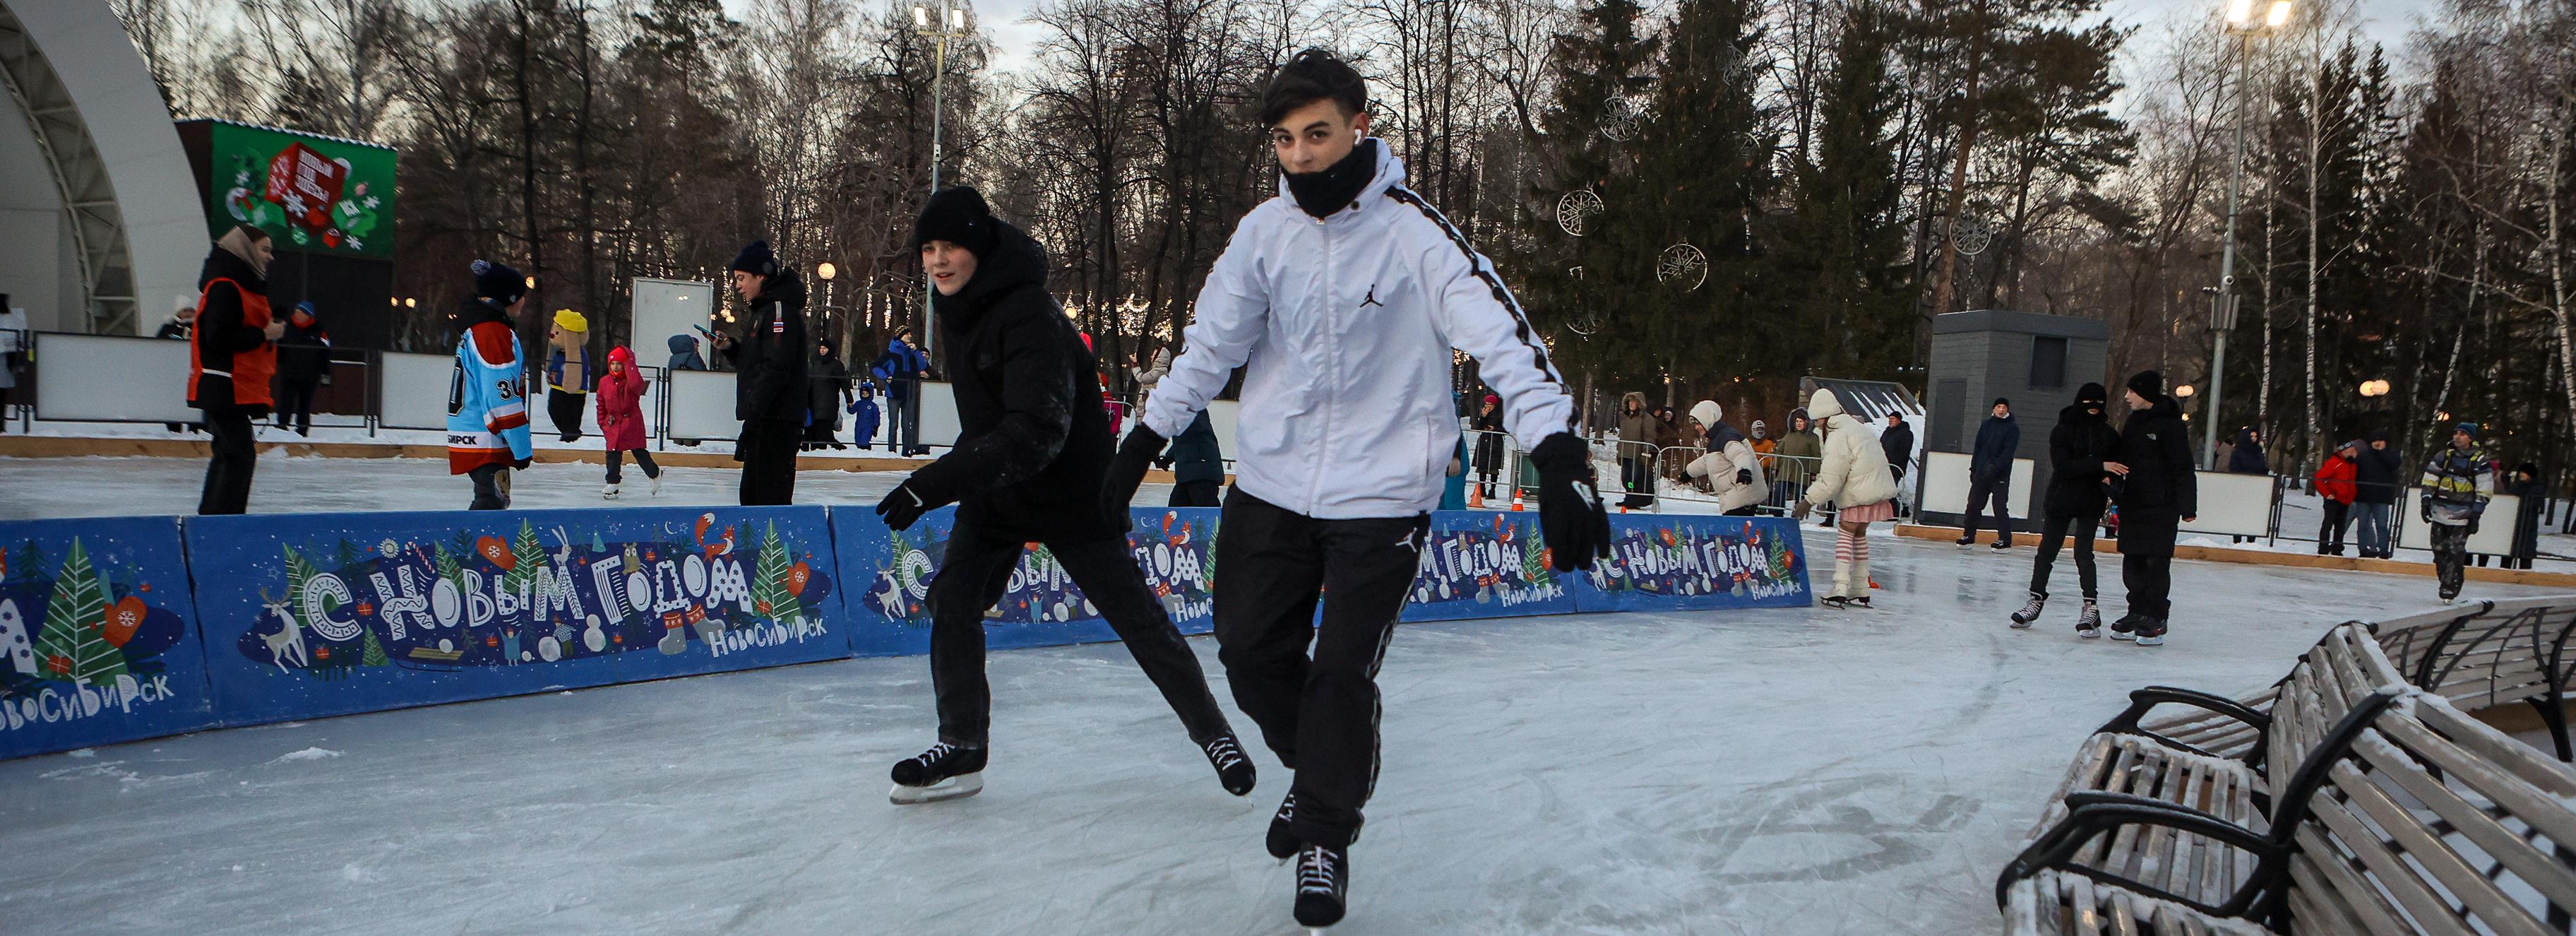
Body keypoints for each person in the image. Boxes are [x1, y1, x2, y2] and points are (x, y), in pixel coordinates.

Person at [1096, 49, 1609, 930]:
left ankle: (1327, 829)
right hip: (1273, 480)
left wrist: (1557, 453)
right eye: (1287, 140)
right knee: (1252, 656)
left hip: (1383, 494)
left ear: (1358, 126)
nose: (1301, 155)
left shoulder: (1415, 233)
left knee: (1339, 672)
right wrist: (1136, 444)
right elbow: (1210, 347)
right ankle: (1326, 771)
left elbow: (1503, 339)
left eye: (1318, 134)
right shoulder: (1264, 234)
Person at [871, 186, 1253, 809]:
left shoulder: (1029, 315)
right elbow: (990, 417)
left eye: (952, 248)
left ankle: (1215, 734)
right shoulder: (954, 307)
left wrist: (937, 481)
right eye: (929, 249)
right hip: (998, 487)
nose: (939, 261)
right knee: (955, 600)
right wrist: (966, 475)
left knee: (1137, 620)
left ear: (981, 248)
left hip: (1071, 488)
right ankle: (962, 744)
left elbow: (1037, 430)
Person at [187, 225, 283, 515]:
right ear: (245, 249)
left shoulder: (237, 285)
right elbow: (216, 338)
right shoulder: (227, 287)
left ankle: (216, 520)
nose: (270, 257)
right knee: (237, 455)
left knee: (232, 454)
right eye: (264, 249)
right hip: (224, 386)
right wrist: (264, 334)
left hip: (231, 387)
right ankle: (222, 521)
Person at [2010, 384, 2118, 634]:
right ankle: (2035, 600)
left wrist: (2110, 479)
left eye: (2099, 403)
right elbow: (2064, 467)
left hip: (2091, 501)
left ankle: (2091, 607)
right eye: (2089, 402)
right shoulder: (2063, 430)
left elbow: (2117, 468)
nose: (2094, 407)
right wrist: (2101, 466)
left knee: (2084, 553)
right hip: (2061, 499)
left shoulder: (2110, 436)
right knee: (2047, 551)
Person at [709, 241, 808, 506]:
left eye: (742, 278)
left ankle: (775, 546)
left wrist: (755, 411)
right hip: (765, 417)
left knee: (768, 498)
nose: (738, 285)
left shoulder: (779, 312)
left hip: (776, 420)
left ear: (761, 276)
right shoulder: (762, 311)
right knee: (752, 497)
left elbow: (777, 367)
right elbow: (758, 362)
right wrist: (731, 348)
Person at [2106, 372, 2195, 646]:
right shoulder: (2133, 423)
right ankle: (2137, 611)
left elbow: (2183, 468)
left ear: (2145, 394)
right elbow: (2124, 459)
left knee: (2156, 564)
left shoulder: (2171, 426)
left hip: (2162, 507)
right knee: (2132, 563)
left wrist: (2187, 506)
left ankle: (2156, 616)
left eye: (2132, 392)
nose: (2127, 397)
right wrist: (2112, 479)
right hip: (2134, 504)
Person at [1794, 388, 1899, 608]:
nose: (1817, 426)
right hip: (1874, 489)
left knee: (1846, 532)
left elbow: (1832, 477)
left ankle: (1840, 586)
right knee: (1859, 534)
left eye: (1817, 421)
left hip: (1859, 491)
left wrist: (1809, 500)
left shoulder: (1838, 436)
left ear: (1822, 416)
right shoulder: (1856, 427)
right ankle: (1861, 586)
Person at [448, 260, 535, 510]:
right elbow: (500, 395)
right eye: (521, 296)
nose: (524, 301)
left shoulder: (481, 328)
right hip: (485, 434)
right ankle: (476, 549)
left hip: (476, 430)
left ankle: (481, 547)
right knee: (491, 503)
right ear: (509, 298)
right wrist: (521, 446)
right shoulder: (493, 333)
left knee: (493, 500)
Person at [2420, 422, 2496, 603]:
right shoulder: (2443, 456)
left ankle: (2449, 587)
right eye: (2456, 432)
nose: (2458, 436)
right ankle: (2449, 577)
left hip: (2462, 515)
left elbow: (2485, 489)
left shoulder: (2479, 461)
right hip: (2439, 511)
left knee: (2454, 550)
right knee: (2438, 550)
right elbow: (2430, 478)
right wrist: (2425, 500)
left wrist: (2476, 515)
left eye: (2462, 434)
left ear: (2470, 438)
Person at [596, 345, 660, 499]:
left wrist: (630, 364)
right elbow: (601, 402)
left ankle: (655, 473)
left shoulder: (630, 380)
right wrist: (602, 423)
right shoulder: (605, 382)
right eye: (612, 363)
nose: (615, 367)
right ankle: (613, 483)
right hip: (613, 423)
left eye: (619, 363)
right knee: (612, 453)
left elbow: (637, 386)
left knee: (639, 451)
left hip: (631, 421)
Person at [1683, 401, 1765, 514]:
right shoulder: (1717, 438)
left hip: (1742, 495)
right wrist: (1688, 472)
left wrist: (1744, 471)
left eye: (1698, 423)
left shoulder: (1727, 437)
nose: (1696, 427)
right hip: (1736, 495)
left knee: (1737, 530)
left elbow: (1740, 454)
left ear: (1708, 419)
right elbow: (1708, 460)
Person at [1957, 398, 2018, 550]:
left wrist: (1995, 470)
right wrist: (1974, 469)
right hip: (1982, 473)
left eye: (2004, 407)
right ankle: (1969, 536)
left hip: (2000, 476)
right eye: (1999, 407)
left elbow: (2007, 453)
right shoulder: (1986, 425)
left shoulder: (2013, 428)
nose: (2001, 410)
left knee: (1999, 507)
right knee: (1973, 505)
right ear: (1993, 409)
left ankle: (2005, 540)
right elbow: (1978, 448)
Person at [271, 301, 330, 437]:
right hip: (289, 373)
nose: (297, 315)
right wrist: (277, 363)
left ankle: (302, 429)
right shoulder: (286, 328)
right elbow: (279, 348)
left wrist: (325, 373)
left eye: (300, 313)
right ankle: (282, 425)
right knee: (286, 400)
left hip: (310, 375)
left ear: (308, 315)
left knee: (305, 403)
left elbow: (325, 352)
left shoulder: (319, 330)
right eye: (296, 312)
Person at [874, 326, 931, 455]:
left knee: (907, 424)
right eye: (907, 334)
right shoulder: (891, 353)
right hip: (893, 393)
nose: (910, 336)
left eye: (910, 334)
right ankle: (892, 451)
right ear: (900, 336)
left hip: (909, 393)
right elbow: (876, 366)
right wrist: (885, 377)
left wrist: (916, 352)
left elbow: (923, 366)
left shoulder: (912, 353)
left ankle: (906, 451)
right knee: (893, 424)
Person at [544, 310, 593, 443]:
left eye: (558, 333)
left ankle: (571, 434)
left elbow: (575, 372)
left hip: (573, 390)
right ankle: (568, 433)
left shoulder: (579, 355)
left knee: (570, 415)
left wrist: (557, 378)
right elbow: (554, 367)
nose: (553, 336)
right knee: (553, 411)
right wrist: (550, 375)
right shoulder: (560, 353)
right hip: (558, 389)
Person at [1158, 410, 1224, 507]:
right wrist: (1167, 459)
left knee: (1206, 514)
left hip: (1202, 473)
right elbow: (1182, 442)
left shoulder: (1194, 409)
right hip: (1186, 475)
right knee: (1176, 513)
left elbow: (1196, 430)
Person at [2353, 431, 2402, 558]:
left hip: (2381, 498)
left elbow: (2394, 465)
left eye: (2380, 440)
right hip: (2364, 496)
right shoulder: (2363, 456)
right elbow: (2354, 473)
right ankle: (2363, 549)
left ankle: (2384, 551)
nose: (2377, 443)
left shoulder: (2391, 455)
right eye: (2375, 440)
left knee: (2382, 526)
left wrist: (2383, 452)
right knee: (2363, 525)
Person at [159, 293, 201, 433]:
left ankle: (196, 431)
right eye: (185, 310)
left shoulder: (200, 328)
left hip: (194, 373)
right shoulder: (169, 328)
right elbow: (159, 348)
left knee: (195, 402)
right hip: (173, 375)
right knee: (174, 403)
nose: (189, 313)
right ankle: (173, 430)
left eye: (191, 310)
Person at [2313, 441, 2360, 556]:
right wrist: (2326, 494)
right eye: (2352, 450)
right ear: (2345, 450)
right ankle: (2323, 548)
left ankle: (2337, 548)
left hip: (2346, 500)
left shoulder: (2353, 465)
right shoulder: (2334, 462)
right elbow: (2318, 478)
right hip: (2334, 499)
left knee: (2340, 526)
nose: (2354, 452)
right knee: (2328, 524)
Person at [806, 338, 852, 451]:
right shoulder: (817, 364)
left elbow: (844, 383)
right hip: (815, 401)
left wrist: (849, 399)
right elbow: (810, 382)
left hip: (829, 401)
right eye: (821, 348)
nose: (822, 350)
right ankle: (816, 451)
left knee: (824, 427)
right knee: (815, 428)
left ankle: (834, 447)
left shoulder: (837, 365)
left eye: (825, 348)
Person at [1772, 408, 1821, 514]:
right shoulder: (1789, 436)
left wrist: (1813, 472)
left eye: (1801, 421)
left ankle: (1796, 517)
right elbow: (1779, 451)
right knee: (1779, 494)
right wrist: (1776, 467)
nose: (1799, 424)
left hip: (1802, 473)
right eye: (1797, 421)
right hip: (1785, 472)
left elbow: (1816, 455)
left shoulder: (1812, 438)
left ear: (1807, 422)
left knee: (1800, 496)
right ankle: (1777, 515)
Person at [1616, 391, 1655, 508]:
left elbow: (1649, 436)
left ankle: (1635, 499)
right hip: (1625, 453)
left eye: (1634, 401)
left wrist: (1646, 452)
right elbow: (1622, 436)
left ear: (1640, 403)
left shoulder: (1646, 419)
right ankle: (1629, 497)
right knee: (1626, 478)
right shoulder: (1625, 417)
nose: (1632, 403)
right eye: (1630, 401)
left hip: (1637, 454)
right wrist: (1619, 451)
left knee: (1636, 478)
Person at [2509, 463, 2546, 571]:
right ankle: (2505, 570)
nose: (2521, 474)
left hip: (2528, 524)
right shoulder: (2517, 486)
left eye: (2524, 472)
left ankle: (2525, 574)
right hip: (2514, 523)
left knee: (2526, 553)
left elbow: (2532, 503)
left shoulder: (2537, 488)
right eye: (2521, 472)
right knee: (2509, 551)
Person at [1471, 393, 1506, 499]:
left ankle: (1493, 490)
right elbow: (1479, 426)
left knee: (1494, 467)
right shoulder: (1484, 412)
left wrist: (1495, 429)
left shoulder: (1501, 414)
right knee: (1482, 465)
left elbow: (1506, 428)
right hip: (1484, 441)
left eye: (1491, 404)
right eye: (1487, 404)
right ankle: (1482, 489)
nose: (1488, 406)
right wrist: (1483, 417)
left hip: (1496, 442)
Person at [0, 295, 23, 432]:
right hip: (5, 368)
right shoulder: (9, 324)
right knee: (2, 397)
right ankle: (1, 424)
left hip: (4, 366)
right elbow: (13, 347)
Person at [848, 380, 883, 451]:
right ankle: (861, 450)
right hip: (859, 425)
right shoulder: (859, 404)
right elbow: (852, 411)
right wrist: (849, 406)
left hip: (869, 426)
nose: (864, 395)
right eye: (863, 393)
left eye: (867, 393)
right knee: (858, 440)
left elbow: (876, 416)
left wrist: (876, 426)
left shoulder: (873, 406)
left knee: (864, 440)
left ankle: (866, 448)